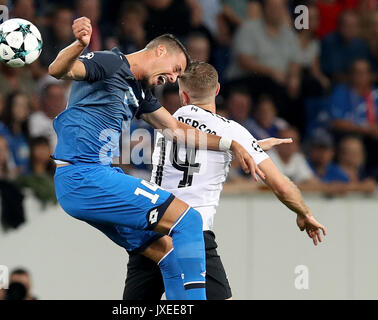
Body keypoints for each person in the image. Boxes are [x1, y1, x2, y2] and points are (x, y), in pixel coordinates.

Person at [48, 17, 266, 300]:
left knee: (167, 251)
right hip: (85, 176)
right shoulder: (111, 63)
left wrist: (230, 143)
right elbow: (58, 69)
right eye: (176, 69)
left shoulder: (138, 91)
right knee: (187, 220)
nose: (174, 79)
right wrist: (78, 45)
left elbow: (175, 129)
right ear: (160, 51)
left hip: (91, 180)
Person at [123, 61, 327, 300]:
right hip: (192, 232)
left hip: (152, 229)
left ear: (183, 94)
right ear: (217, 90)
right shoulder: (232, 131)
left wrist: (254, 147)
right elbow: (281, 186)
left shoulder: (169, 122)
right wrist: (303, 212)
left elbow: (195, 146)